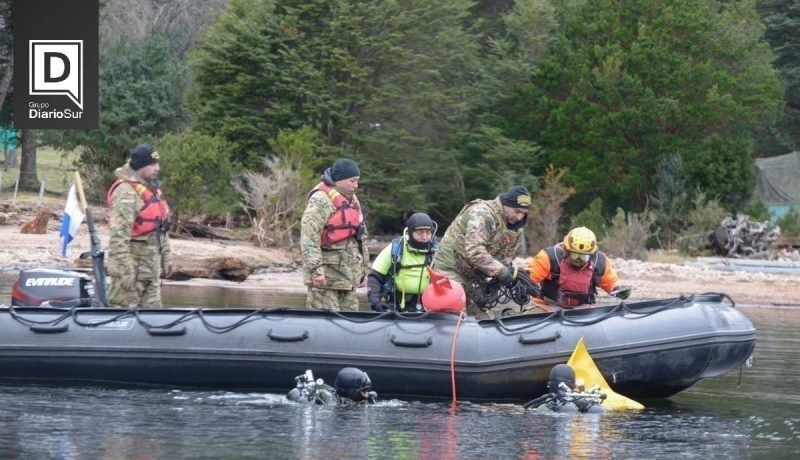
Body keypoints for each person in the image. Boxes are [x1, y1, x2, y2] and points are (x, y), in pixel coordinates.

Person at [432, 185, 531, 319]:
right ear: (505, 204)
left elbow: (507, 255)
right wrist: (501, 271)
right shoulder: (482, 214)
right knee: (455, 316)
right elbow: (475, 250)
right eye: (517, 211)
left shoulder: (515, 228)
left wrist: (507, 270)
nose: (519, 217)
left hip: (475, 276)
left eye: (524, 213)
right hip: (450, 268)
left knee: (484, 318)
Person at [106, 144, 171, 308]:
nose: (157, 168)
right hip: (131, 273)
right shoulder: (126, 192)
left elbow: (161, 229)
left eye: (157, 163)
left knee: (154, 316)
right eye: (152, 164)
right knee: (122, 313)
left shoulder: (152, 189)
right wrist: (125, 272)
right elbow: (118, 238)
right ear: (141, 165)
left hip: (150, 272)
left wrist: (166, 257)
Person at [300, 158, 370, 311]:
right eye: (352, 181)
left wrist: (365, 270)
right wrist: (316, 271)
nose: (356, 185)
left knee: (350, 319)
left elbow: (361, 236)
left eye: (357, 181)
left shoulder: (352, 200)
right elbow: (309, 238)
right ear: (339, 180)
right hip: (326, 278)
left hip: (348, 276)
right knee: (323, 320)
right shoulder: (320, 200)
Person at [526, 226, 631, 310]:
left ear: (591, 254)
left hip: (582, 310)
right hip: (547, 306)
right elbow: (530, 277)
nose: (578, 260)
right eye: (574, 255)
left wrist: (618, 290)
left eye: (583, 257)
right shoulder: (549, 257)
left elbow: (610, 282)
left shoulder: (600, 262)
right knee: (530, 315)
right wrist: (523, 287)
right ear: (566, 250)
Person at [367, 212, 438, 312]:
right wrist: (375, 302)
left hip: (427, 306)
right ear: (410, 232)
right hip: (395, 304)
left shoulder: (437, 252)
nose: (425, 237)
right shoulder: (396, 248)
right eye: (420, 233)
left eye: (428, 232)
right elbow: (375, 276)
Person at [286, 367, 378, 406]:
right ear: (351, 391)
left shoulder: (363, 401)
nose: (367, 394)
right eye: (364, 391)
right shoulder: (331, 404)